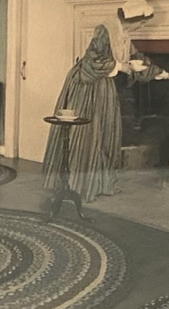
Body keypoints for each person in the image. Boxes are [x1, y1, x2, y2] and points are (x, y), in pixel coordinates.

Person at [43, 24, 123, 201]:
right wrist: (121, 66)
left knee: (89, 137)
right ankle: (80, 185)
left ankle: (76, 183)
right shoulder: (97, 65)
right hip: (89, 101)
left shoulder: (86, 66)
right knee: (89, 136)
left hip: (89, 99)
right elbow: (97, 67)